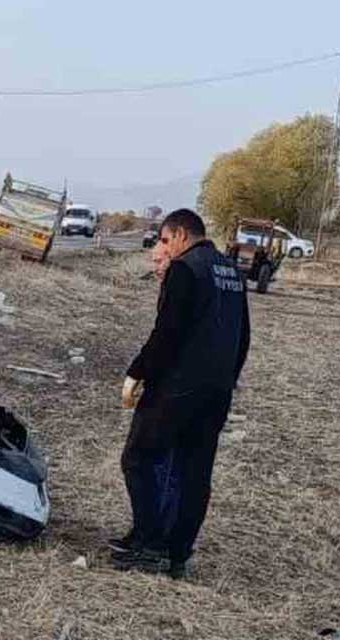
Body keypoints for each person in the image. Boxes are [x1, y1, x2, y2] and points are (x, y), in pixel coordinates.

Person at [112, 209, 250, 578]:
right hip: (217, 391)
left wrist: (138, 371)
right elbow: (243, 337)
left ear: (180, 235)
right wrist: (227, 379)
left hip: (178, 387)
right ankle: (177, 552)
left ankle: (149, 543)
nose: (164, 248)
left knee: (139, 458)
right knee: (193, 471)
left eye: (164, 240)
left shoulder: (186, 268)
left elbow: (168, 331)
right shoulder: (231, 271)